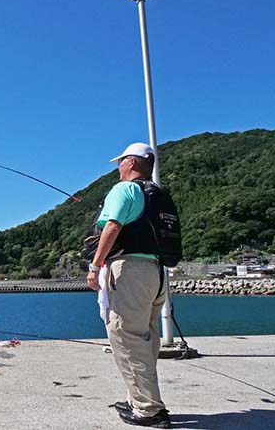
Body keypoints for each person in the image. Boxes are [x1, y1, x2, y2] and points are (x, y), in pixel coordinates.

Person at [86, 142, 171, 428]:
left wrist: (95, 264)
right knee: (146, 338)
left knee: (126, 336)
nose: (118, 168)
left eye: (120, 162)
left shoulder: (125, 189)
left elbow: (113, 226)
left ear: (131, 163)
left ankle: (149, 410)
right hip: (156, 272)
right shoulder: (156, 195)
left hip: (130, 270)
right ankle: (138, 399)